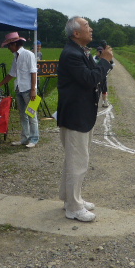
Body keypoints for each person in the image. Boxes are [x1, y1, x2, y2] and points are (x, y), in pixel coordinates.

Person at [57, 16, 113, 222]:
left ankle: (71, 199)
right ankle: (74, 208)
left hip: (81, 113)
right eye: (87, 26)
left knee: (74, 160)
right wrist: (104, 61)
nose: (91, 29)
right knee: (78, 162)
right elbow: (90, 79)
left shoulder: (80, 51)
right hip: (75, 115)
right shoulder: (72, 54)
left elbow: (93, 73)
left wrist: (103, 62)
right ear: (76, 33)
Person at [0, 32, 40, 148]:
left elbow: (33, 72)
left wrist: (33, 90)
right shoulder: (16, 57)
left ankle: (34, 139)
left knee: (31, 114)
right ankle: (25, 138)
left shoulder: (28, 54)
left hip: (29, 89)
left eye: (9, 46)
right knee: (22, 115)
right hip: (19, 89)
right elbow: (12, 74)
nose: (8, 48)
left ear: (14, 44)